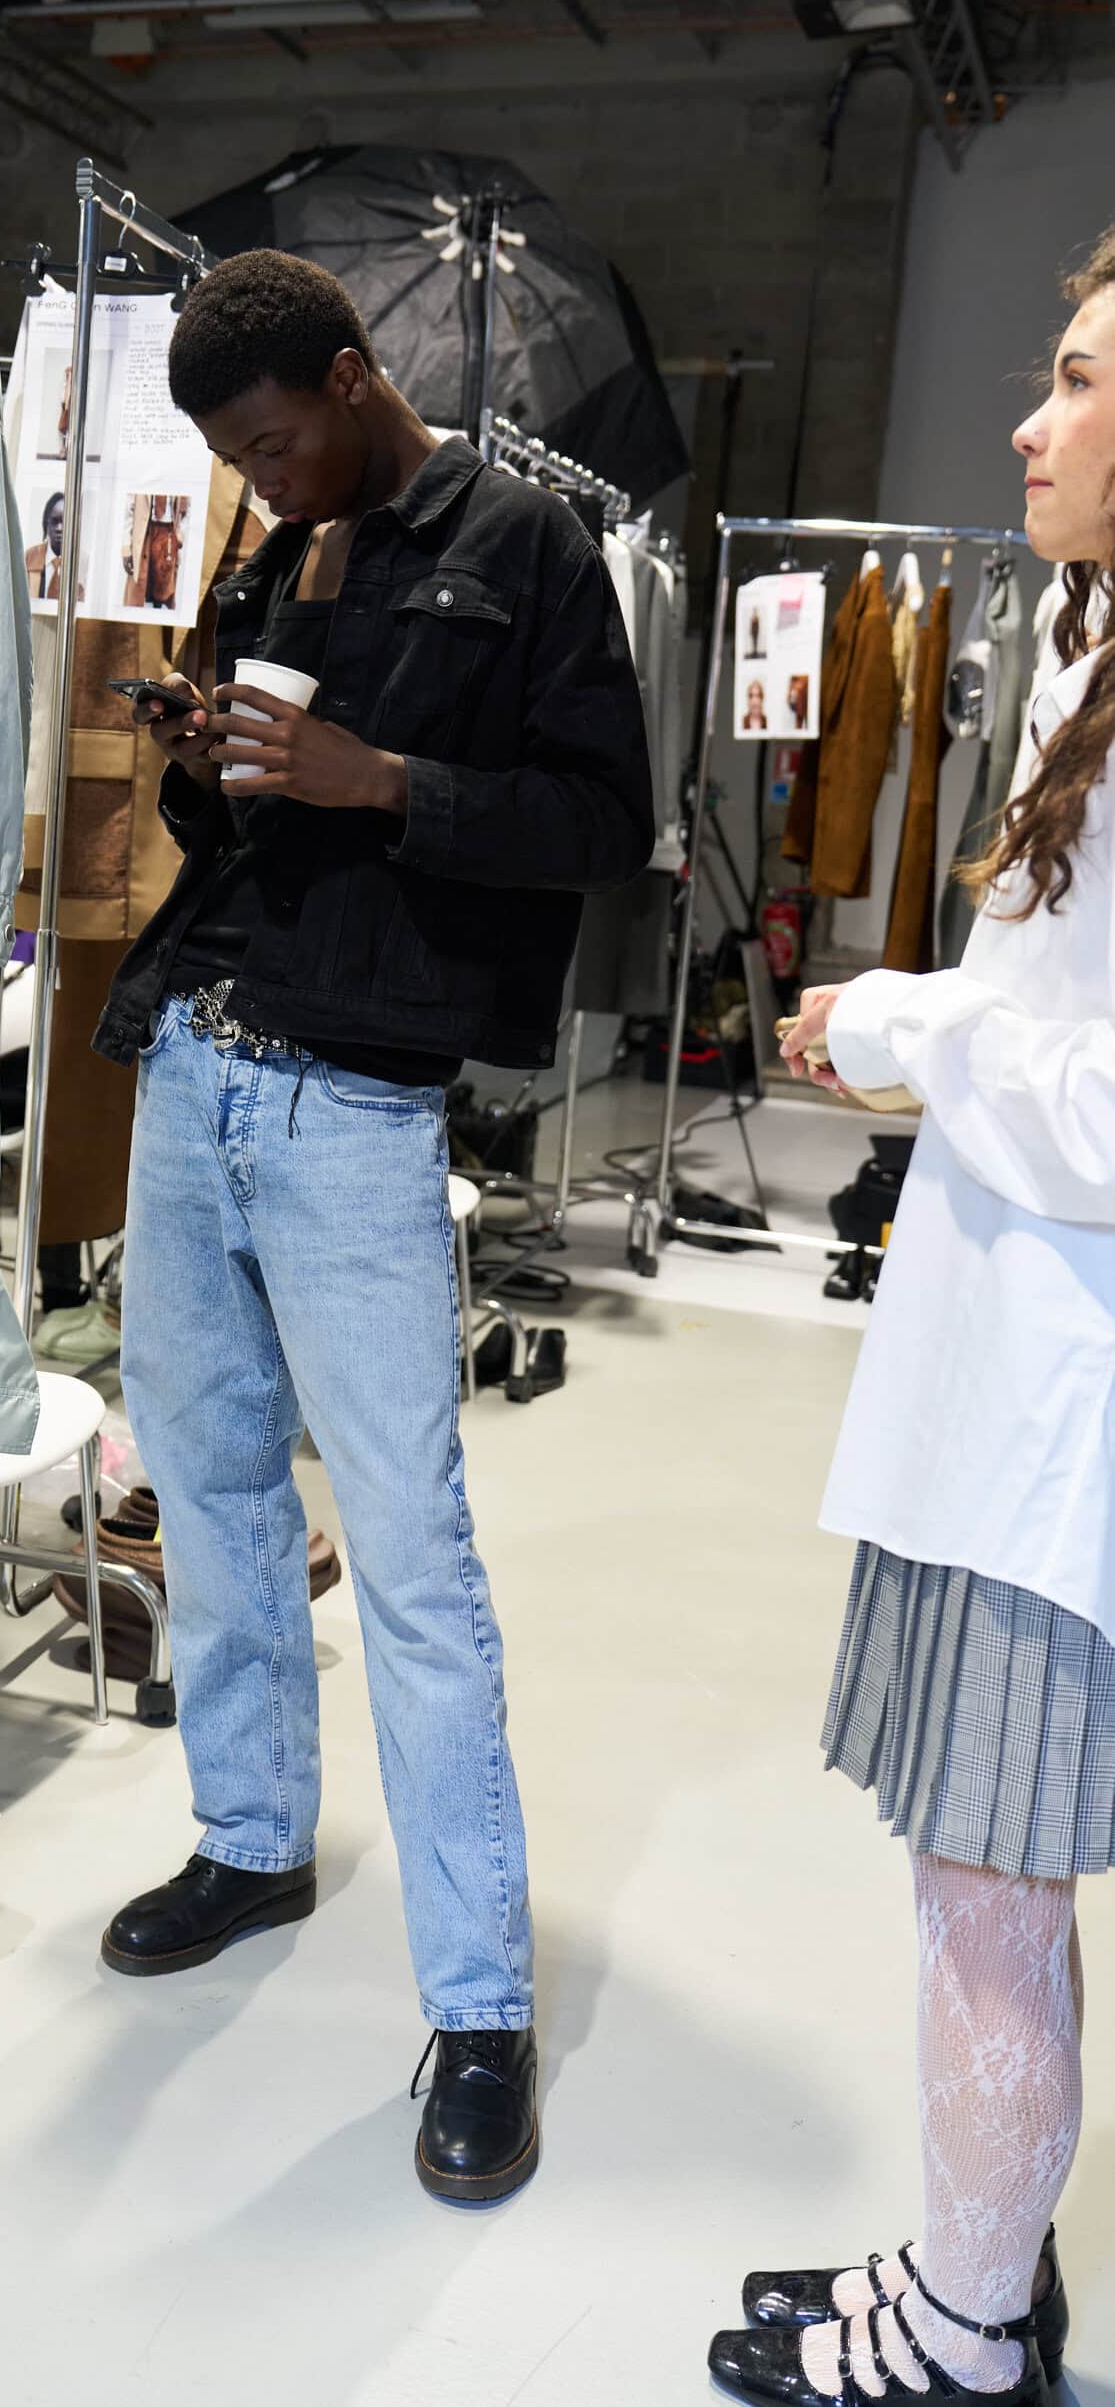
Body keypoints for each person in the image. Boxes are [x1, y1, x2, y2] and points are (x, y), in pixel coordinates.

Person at [91, 248, 652, 2202]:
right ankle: (252, 1837)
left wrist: (378, 774)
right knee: (215, 1482)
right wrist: (205, 755)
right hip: (197, 1065)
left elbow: (603, 823)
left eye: (273, 438)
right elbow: (245, 831)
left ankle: (478, 2001)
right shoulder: (274, 553)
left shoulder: (529, 547)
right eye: (234, 458)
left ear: (348, 378)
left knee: (409, 1546)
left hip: (357, 1100)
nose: (263, 479)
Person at [709, 231, 1115, 2406]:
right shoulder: (1090, 653)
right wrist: (910, 1016)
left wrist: (918, 1035)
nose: (1027, 421)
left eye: (1069, 380)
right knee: (983, 1877)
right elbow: (1061, 1009)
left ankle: (964, 2332)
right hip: (1009, 1356)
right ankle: (983, 2256)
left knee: (989, 1885)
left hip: (1069, 1397)